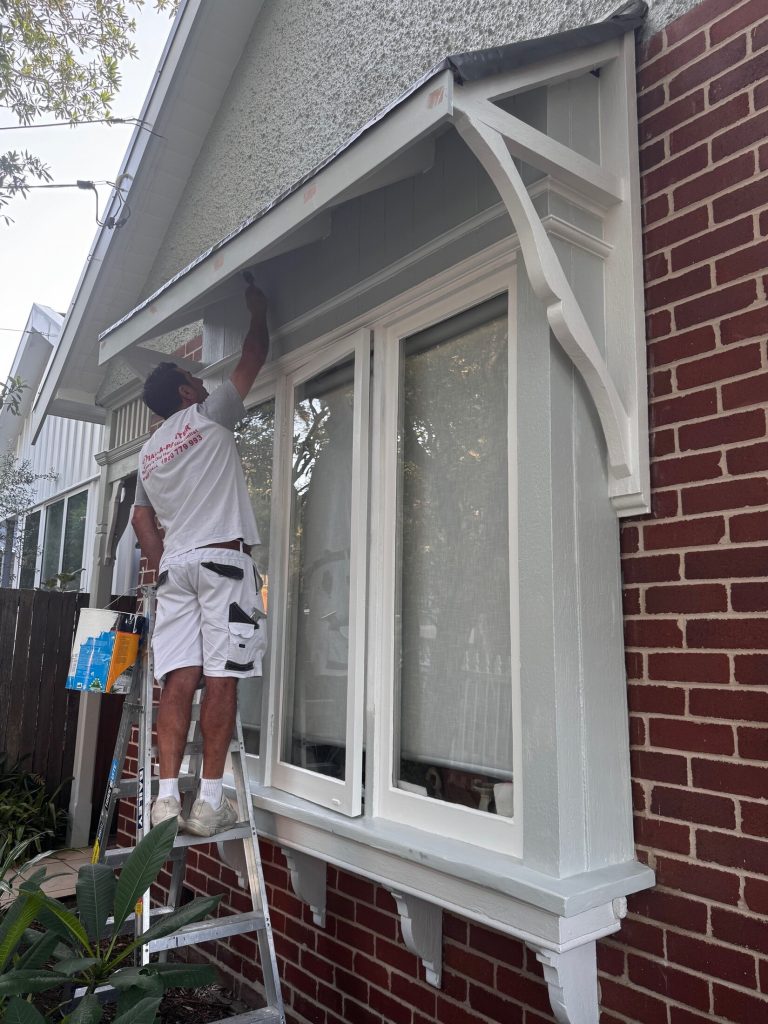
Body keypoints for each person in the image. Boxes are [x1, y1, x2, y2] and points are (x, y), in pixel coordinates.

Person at [131, 281, 269, 837]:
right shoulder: (210, 416)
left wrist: (166, 563)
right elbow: (255, 353)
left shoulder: (147, 453)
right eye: (196, 380)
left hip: (177, 570)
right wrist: (257, 310)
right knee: (222, 678)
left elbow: (142, 523)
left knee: (178, 681)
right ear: (188, 393)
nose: (204, 383)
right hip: (221, 562)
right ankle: (210, 802)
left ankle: (166, 800)